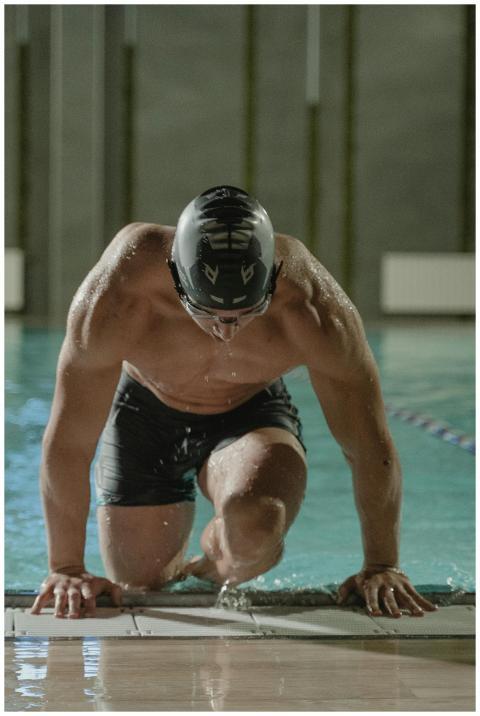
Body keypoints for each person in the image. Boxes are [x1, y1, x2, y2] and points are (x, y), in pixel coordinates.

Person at [31, 185, 437, 620]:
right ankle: (195, 560)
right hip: (144, 416)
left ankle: (213, 564)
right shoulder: (116, 296)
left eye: (246, 314)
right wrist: (66, 567)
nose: (227, 331)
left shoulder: (314, 309)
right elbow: (70, 443)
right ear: (175, 278)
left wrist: (381, 564)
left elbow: (368, 445)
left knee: (256, 529)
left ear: (274, 279)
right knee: (143, 586)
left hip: (250, 412)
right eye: (208, 315)